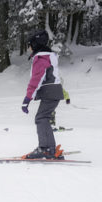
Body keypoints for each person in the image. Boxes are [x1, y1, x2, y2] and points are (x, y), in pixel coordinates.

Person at [21, 29, 65, 159]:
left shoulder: (41, 59)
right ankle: (48, 147)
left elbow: (36, 80)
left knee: (41, 118)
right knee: (42, 118)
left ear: (35, 44)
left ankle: (46, 149)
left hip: (50, 92)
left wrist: (27, 99)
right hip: (53, 92)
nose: (28, 48)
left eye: (29, 45)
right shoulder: (47, 56)